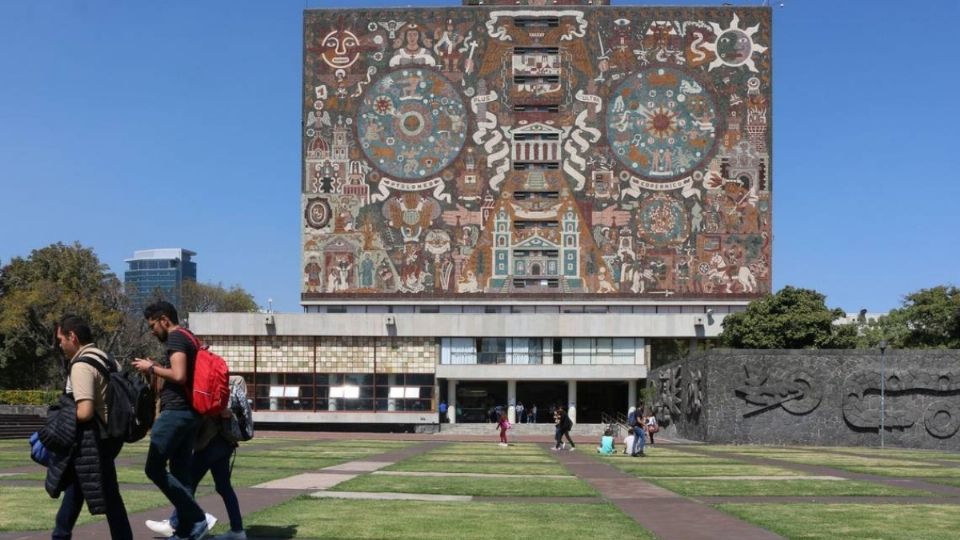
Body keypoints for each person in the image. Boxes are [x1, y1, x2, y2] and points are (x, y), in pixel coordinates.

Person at [50, 315, 133, 540]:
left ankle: (61, 535)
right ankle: (60, 534)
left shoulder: (82, 365)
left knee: (107, 494)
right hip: (111, 435)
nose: (59, 344)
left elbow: (85, 411)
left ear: (72, 337)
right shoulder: (107, 358)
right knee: (78, 488)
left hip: (93, 440)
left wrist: (58, 422)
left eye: (61, 339)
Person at [132, 301, 210, 540]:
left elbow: (178, 375)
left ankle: (197, 518)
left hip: (176, 414)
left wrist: (151, 367)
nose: (152, 331)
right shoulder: (190, 337)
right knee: (180, 473)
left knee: (153, 468)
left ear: (164, 319)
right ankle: (186, 531)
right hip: (191, 415)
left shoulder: (176, 338)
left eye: (153, 325)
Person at [146, 399, 246, 540]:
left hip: (210, 443)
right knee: (224, 487)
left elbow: (213, 407)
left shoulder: (211, 385)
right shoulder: (225, 384)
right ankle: (237, 530)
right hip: (225, 441)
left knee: (189, 483)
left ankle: (179, 522)